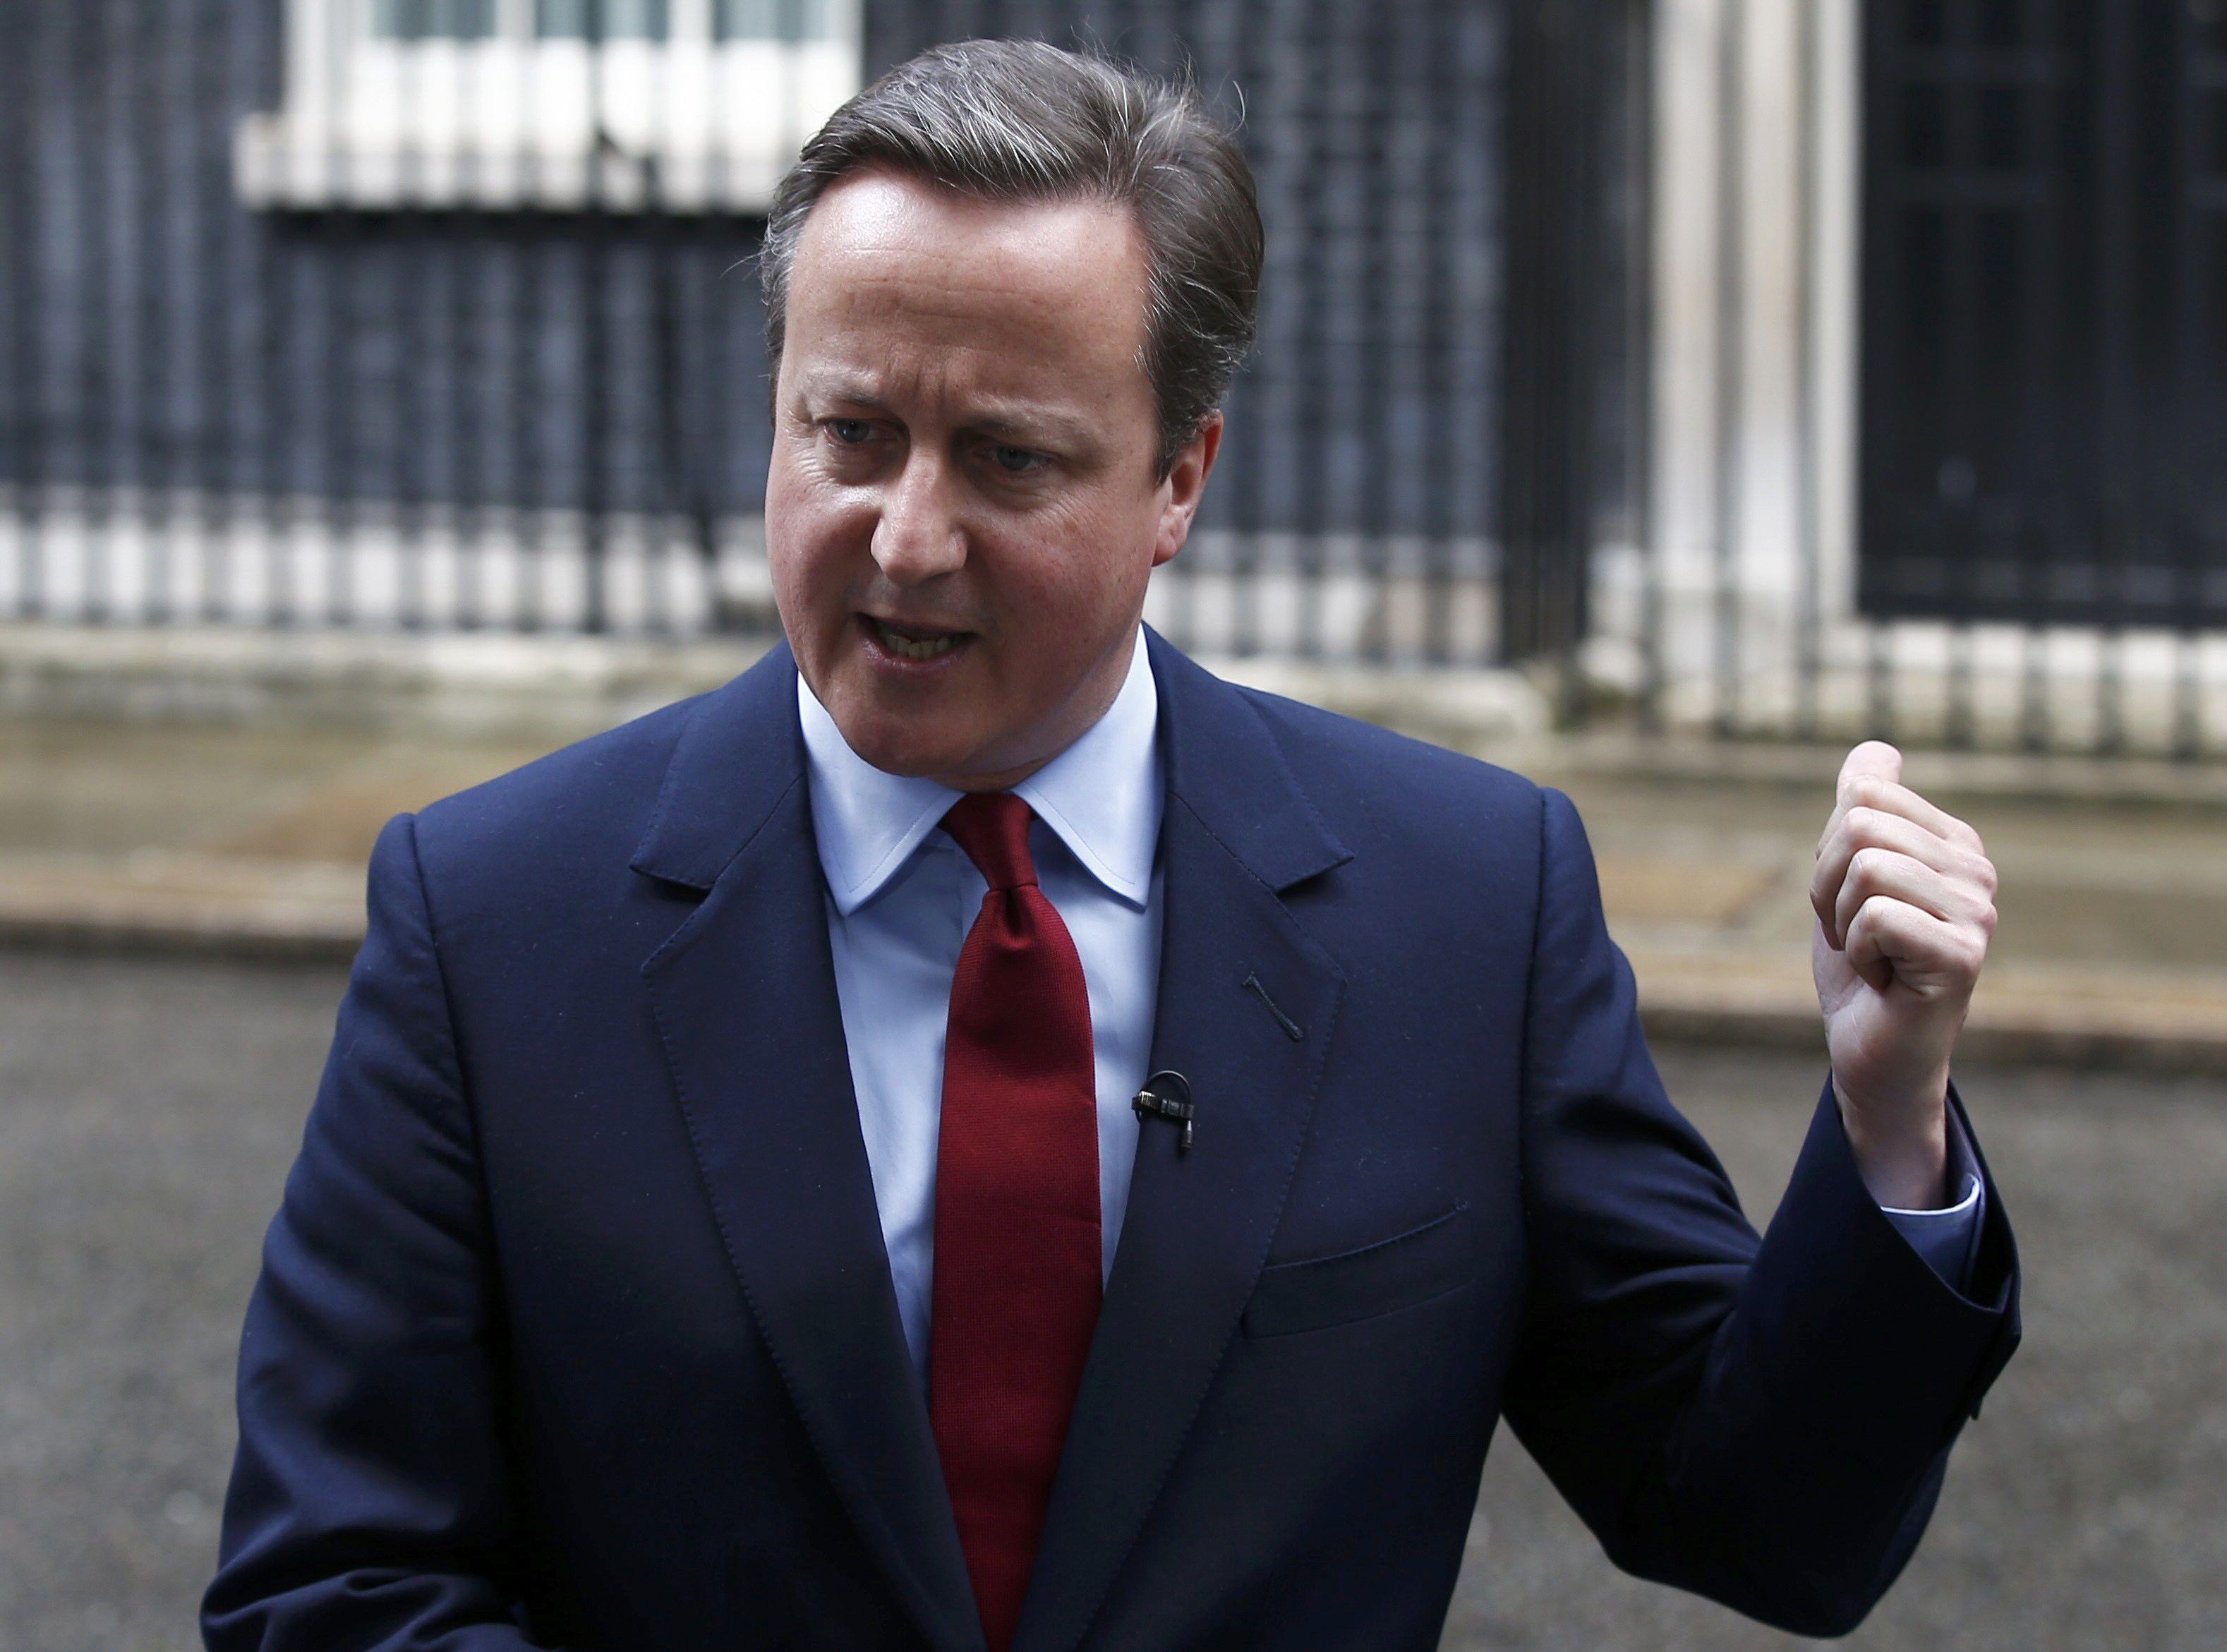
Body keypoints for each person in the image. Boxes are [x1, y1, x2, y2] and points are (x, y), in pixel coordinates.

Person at [203, 39, 2018, 1652]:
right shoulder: (489, 920)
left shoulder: (1471, 907)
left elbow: (1762, 1517)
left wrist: (1889, 1119)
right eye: (851, 433)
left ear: (1181, 481)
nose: (906, 537)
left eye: (1006, 461)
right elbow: (335, 1582)